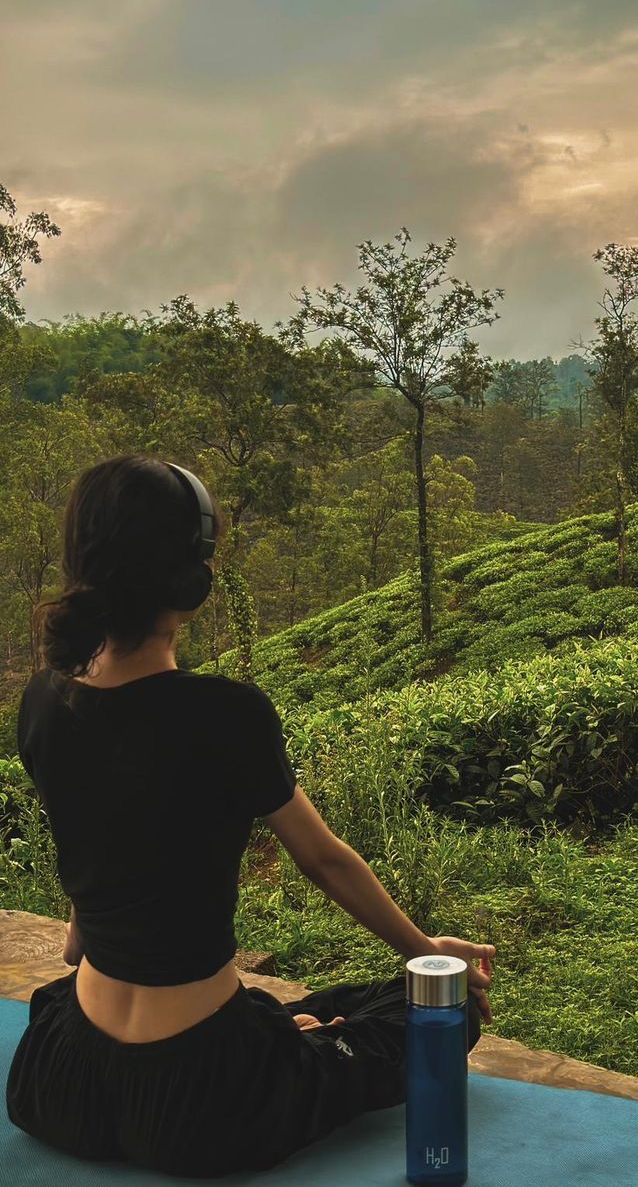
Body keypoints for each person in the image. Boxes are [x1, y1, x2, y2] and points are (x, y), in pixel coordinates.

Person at [6, 453, 495, 1179]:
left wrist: (83, 930)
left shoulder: (45, 699)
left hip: (59, 1079)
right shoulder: (227, 715)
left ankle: (286, 1030)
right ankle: (293, 1039)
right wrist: (425, 949)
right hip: (208, 1103)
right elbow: (323, 860)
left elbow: (91, 834)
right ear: (194, 576)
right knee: (437, 1010)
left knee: (289, 1005)